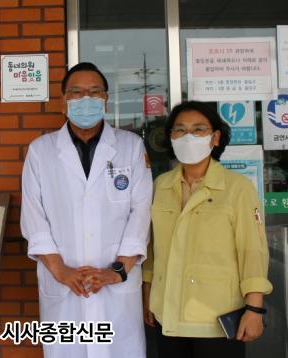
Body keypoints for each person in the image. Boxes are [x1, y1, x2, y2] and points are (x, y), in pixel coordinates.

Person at [21, 62, 152, 358]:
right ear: (63, 101)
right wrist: (60, 270)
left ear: (106, 99)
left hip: (117, 285)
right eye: (76, 92)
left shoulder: (131, 146)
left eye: (94, 92)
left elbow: (141, 211)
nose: (86, 99)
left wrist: (118, 271)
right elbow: (33, 215)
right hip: (62, 284)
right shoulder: (41, 150)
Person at [142, 101, 272, 358]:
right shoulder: (160, 186)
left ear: (215, 138)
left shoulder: (237, 188)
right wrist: (147, 293)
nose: (188, 137)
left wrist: (254, 308)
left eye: (198, 130)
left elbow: (252, 251)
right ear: (170, 137)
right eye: (180, 130)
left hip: (217, 318)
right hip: (167, 313)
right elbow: (151, 248)